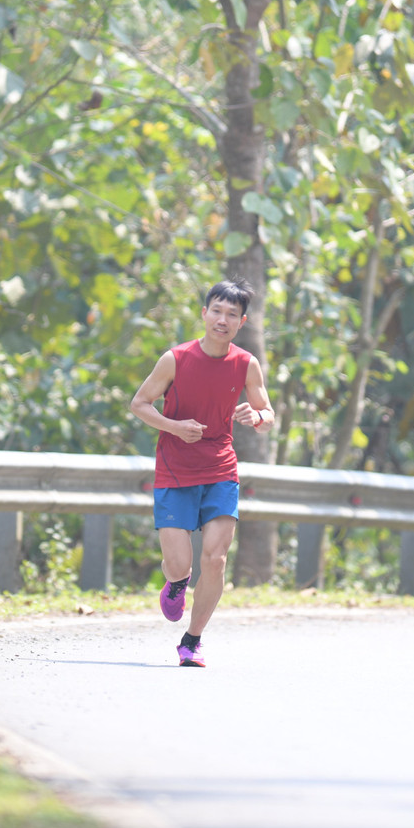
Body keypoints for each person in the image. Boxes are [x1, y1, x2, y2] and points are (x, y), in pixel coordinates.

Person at [129, 278, 276, 667]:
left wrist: (257, 415)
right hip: (175, 469)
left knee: (215, 559)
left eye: (232, 314)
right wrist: (176, 427)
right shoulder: (175, 359)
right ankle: (176, 583)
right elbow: (139, 404)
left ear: (241, 321)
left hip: (220, 468)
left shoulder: (246, 364)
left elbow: (267, 415)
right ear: (204, 313)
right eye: (216, 311)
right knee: (182, 565)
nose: (222, 320)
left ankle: (191, 641)